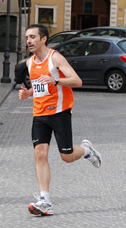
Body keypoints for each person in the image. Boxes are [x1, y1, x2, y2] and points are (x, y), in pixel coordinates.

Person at [19, 24, 102, 216]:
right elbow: (40, 87)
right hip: (39, 114)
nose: (29, 41)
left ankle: (87, 150)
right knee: (40, 154)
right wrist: (28, 93)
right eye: (26, 38)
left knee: (66, 156)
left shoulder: (54, 58)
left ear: (43, 39)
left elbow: (77, 80)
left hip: (60, 111)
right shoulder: (30, 63)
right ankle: (45, 200)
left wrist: (56, 80)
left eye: (32, 37)